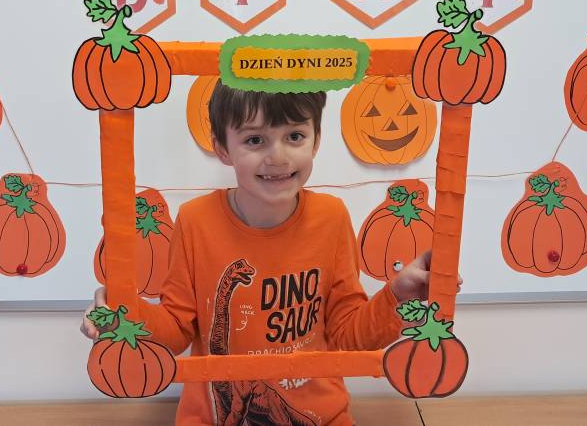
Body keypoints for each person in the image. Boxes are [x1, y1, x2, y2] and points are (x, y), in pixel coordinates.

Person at [82, 82, 456, 425]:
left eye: (294, 136)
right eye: (255, 140)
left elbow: (347, 336)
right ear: (222, 148)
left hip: (319, 416)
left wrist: (397, 295)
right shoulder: (195, 222)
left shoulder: (331, 217)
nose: (278, 157)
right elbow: (177, 330)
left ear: (316, 140)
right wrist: (125, 310)